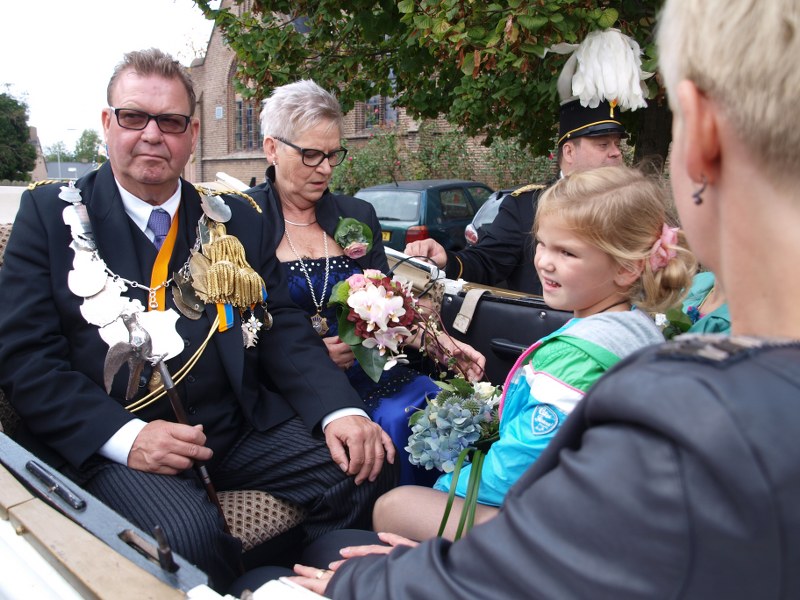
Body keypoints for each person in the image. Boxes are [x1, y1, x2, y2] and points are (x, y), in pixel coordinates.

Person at [285, 0, 800, 595]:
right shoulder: (663, 345)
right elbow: (481, 264)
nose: (547, 262)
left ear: (704, 135)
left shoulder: (665, 400)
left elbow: (546, 548)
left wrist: (365, 581)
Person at [0, 49, 396, 592]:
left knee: (360, 465)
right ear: (107, 123)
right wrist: (127, 438)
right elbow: (25, 359)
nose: (152, 135)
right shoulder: (50, 215)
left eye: (171, 122)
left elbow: (278, 324)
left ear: (190, 134)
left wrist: (339, 411)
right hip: (119, 444)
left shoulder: (236, 219)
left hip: (233, 427)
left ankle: (305, 580)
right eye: (134, 117)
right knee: (188, 538)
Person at [371, 165, 695, 541]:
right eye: (542, 244)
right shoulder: (638, 328)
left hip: (562, 528)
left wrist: (444, 491)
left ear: (626, 269)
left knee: (393, 507)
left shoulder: (577, 358)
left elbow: (512, 473)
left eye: (567, 252)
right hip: (593, 505)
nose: (544, 261)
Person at [246, 79, 485, 486]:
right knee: (394, 420)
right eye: (310, 155)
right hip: (293, 389)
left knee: (442, 408)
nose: (324, 168)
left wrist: (443, 345)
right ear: (272, 149)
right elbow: (238, 331)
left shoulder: (356, 215)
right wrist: (311, 354)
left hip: (373, 372)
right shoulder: (244, 221)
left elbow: (390, 308)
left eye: (332, 154)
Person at [405, 29, 651, 295]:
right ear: (569, 152)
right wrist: (447, 260)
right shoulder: (526, 207)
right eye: (603, 145)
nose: (615, 153)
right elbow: (486, 262)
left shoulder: (632, 207)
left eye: (617, 144)